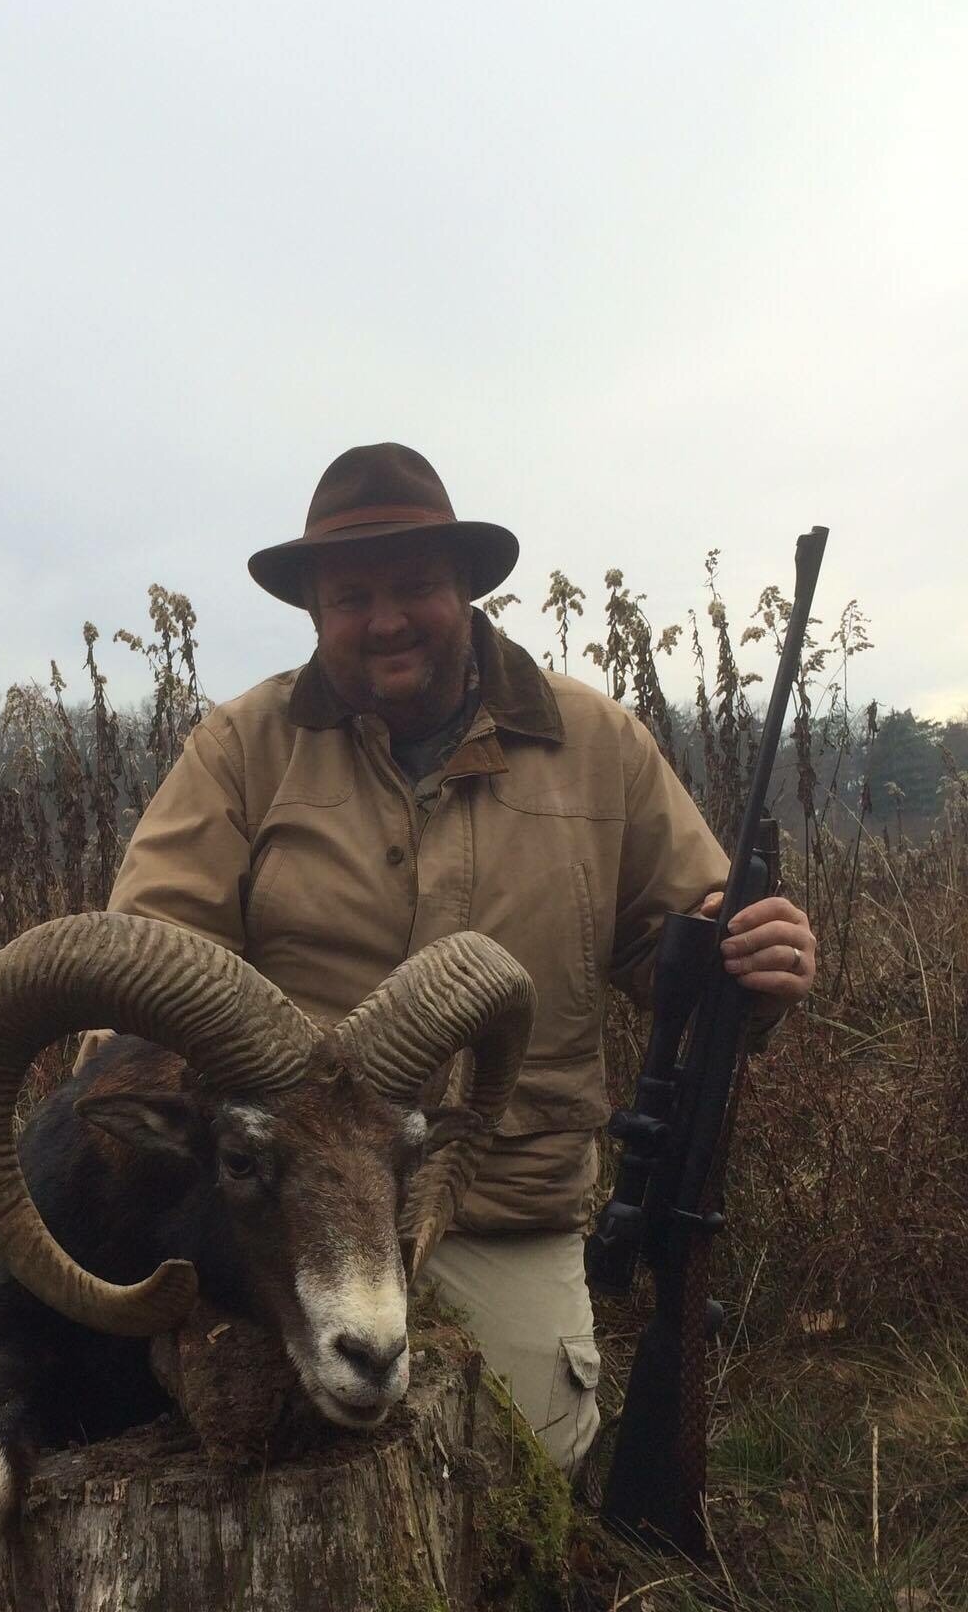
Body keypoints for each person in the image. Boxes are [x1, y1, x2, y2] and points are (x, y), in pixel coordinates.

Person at [75, 443, 817, 1477]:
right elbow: (145, 966)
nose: (386, 618)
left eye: (417, 585)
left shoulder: (600, 743)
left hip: (504, 1204)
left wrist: (754, 964)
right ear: (314, 610)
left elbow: (679, 956)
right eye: (352, 595)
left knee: (521, 1498)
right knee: (238, 1481)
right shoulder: (241, 749)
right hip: (287, 1225)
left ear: (466, 589)